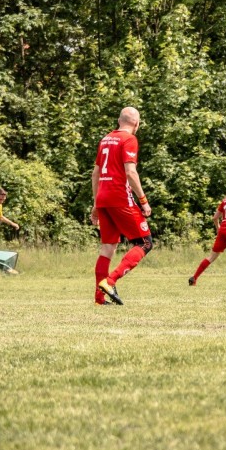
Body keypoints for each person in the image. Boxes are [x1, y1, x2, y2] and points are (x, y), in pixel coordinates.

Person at [93, 107, 153, 306]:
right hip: (120, 197)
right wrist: (143, 200)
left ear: (119, 120)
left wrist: (95, 203)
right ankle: (109, 282)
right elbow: (130, 172)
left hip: (103, 197)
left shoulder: (105, 140)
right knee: (145, 243)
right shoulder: (129, 140)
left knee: (108, 246)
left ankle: (99, 299)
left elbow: (95, 174)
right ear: (136, 123)